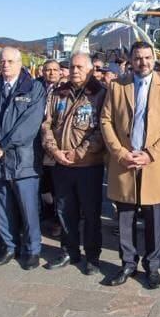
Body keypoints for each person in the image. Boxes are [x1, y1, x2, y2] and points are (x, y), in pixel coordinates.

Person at [101, 41, 160, 288]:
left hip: (153, 164)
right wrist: (120, 152)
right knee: (124, 219)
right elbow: (105, 120)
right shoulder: (117, 86)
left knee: (154, 221)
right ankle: (127, 263)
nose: (143, 62)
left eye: (147, 57)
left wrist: (150, 154)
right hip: (124, 161)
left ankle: (152, 267)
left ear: (153, 59)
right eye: (138, 58)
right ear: (131, 60)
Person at [0, 47, 47, 269]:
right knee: (2, 209)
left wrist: (2, 145)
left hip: (23, 161)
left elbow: (29, 126)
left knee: (28, 209)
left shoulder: (34, 89)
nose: (5, 65)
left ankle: (32, 249)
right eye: (2, 61)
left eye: (10, 61)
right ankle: (8, 247)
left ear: (20, 63)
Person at [42, 52, 107, 274]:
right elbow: (47, 125)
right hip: (61, 164)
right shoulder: (59, 93)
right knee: (64, 211)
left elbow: (102, 130)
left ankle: (92, 257)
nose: (74, 71)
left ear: (90, 69)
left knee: (90, 214)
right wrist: (54, 151)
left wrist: (78, 153)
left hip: (88, 166)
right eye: (71, 67)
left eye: (80, 67)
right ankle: (69, 251)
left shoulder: (99, 94)